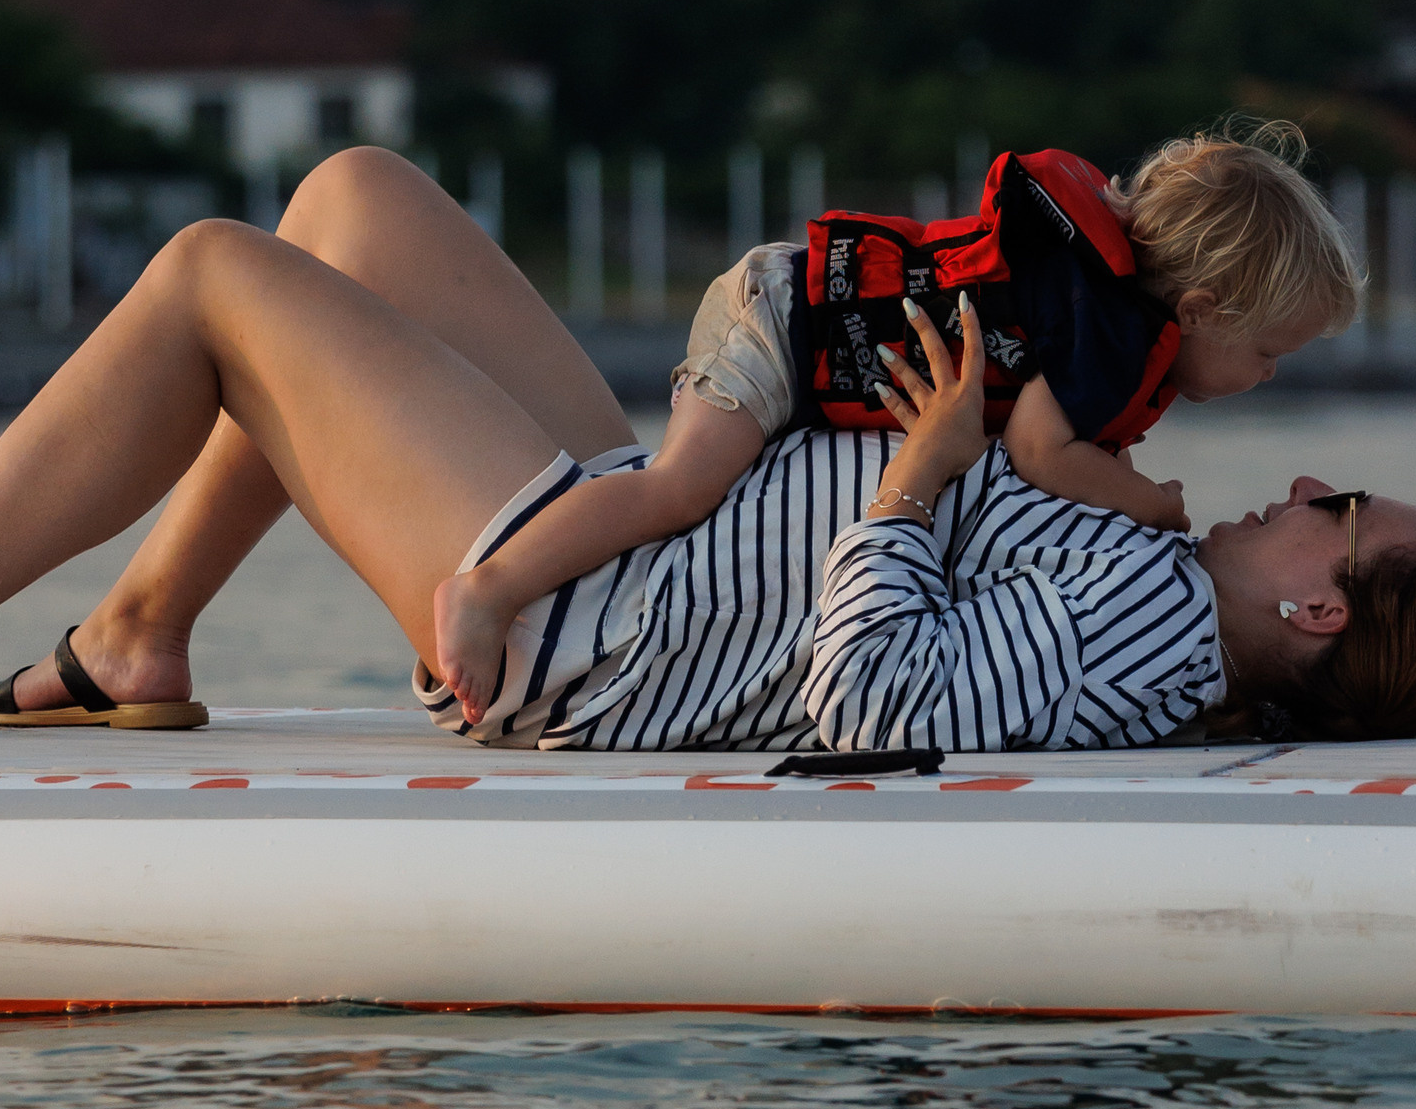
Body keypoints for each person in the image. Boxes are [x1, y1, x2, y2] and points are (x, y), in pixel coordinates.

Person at [0, 149, 1416, 761]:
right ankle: (135, 634)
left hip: (594, 628)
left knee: (218, 275)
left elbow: (871, 710)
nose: (1302, 483)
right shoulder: (1150, 556)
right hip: (643, 537)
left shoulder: (1152, 628)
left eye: (1334, 513)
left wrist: (919, 473)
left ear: (1323, 612)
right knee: (351, 203)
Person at [426, 123, 1359, 729]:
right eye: (1267, 352)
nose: (1268, 376)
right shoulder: (1109, 340)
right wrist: (1147, 503)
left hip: (796, 322)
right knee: (679, 489)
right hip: (783, 323)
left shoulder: (1103, 321)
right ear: (1197, 310)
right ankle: (488, 590)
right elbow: (1040, 451)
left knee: (683, 493)